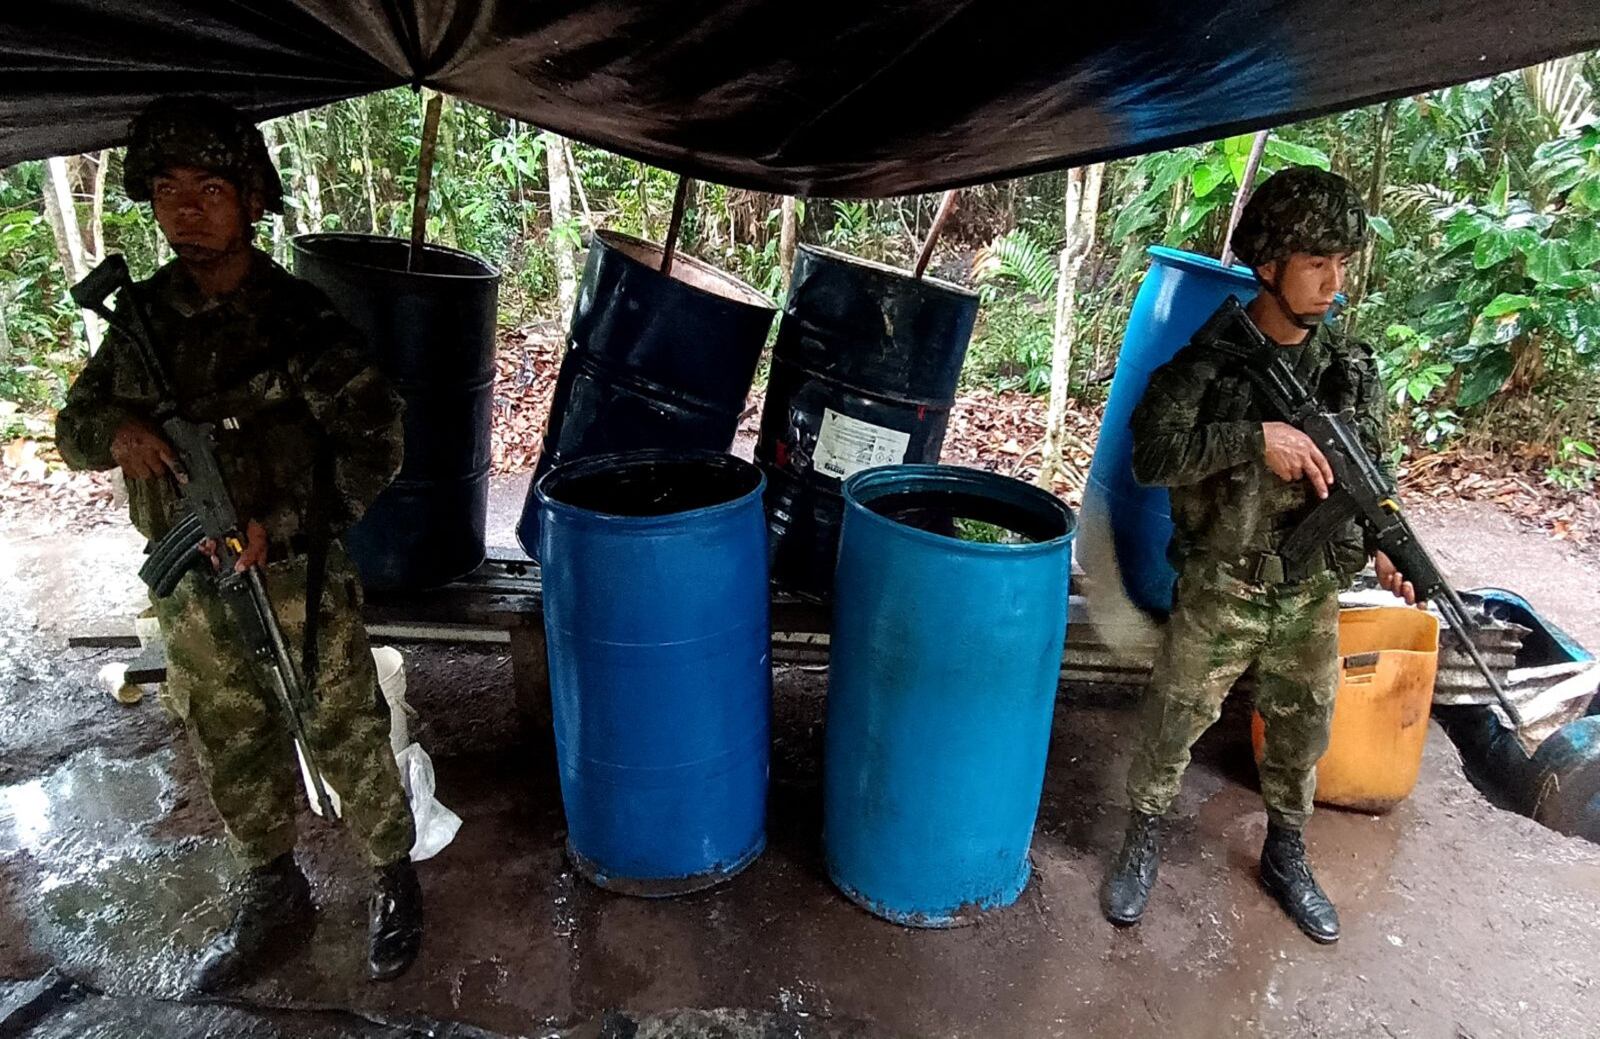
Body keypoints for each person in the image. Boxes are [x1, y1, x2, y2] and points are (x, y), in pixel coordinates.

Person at [55, 95, 423, 989]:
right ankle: (271, 885)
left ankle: (392, 877)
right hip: (192, 589)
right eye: (168, 191)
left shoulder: (301, 321)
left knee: (343, 725)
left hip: (294, 577)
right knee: (228, 735)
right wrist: (118, 434)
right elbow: (73, 427)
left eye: (210, 190)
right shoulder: (140, 320)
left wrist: (282, 521)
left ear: (252, 200)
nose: (186, 210)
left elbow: (376, 442)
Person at [1100, 166, 1415, 944]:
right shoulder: (1207, 364)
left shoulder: (1350, 367)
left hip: (1308, 593)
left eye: (1342, 262)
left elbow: (1375, 470)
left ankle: (1285, 851)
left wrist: (1390, 544)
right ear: (1269, 265)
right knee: (1174, 720)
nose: (1335, 282)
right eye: (1317, 262)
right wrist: (1252, 439)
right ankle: (1141, 839)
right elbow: (1150, 455)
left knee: (1303, 732)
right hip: (1223, 586)